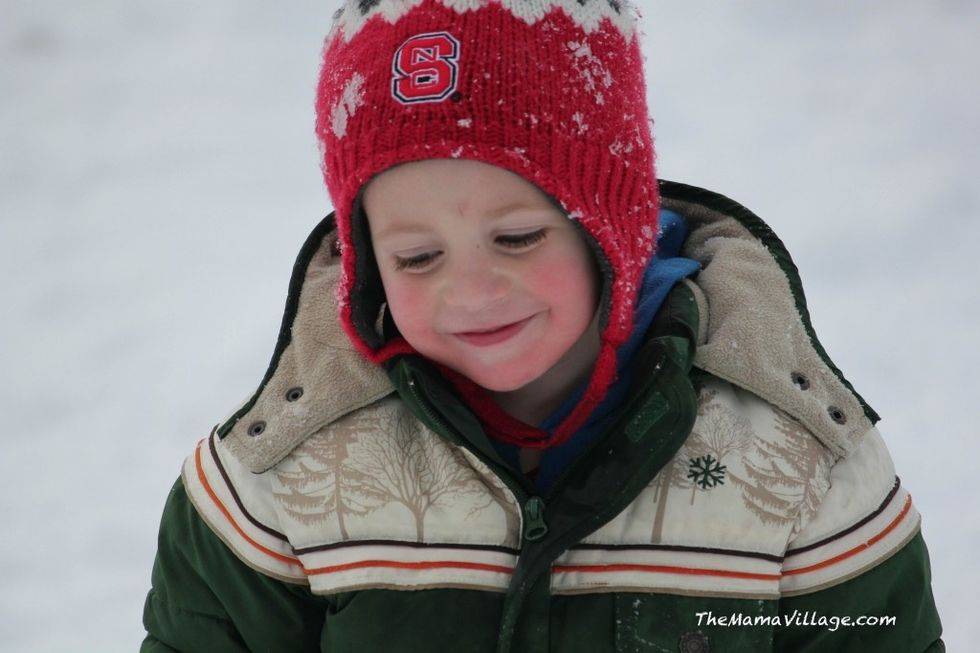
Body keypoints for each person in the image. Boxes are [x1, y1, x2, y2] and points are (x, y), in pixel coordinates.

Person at [141, 1, 943, 651]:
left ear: (613, 228)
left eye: (517, 237)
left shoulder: (797, 462)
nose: (473, 287)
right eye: (417, 256)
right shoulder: (284, 474)